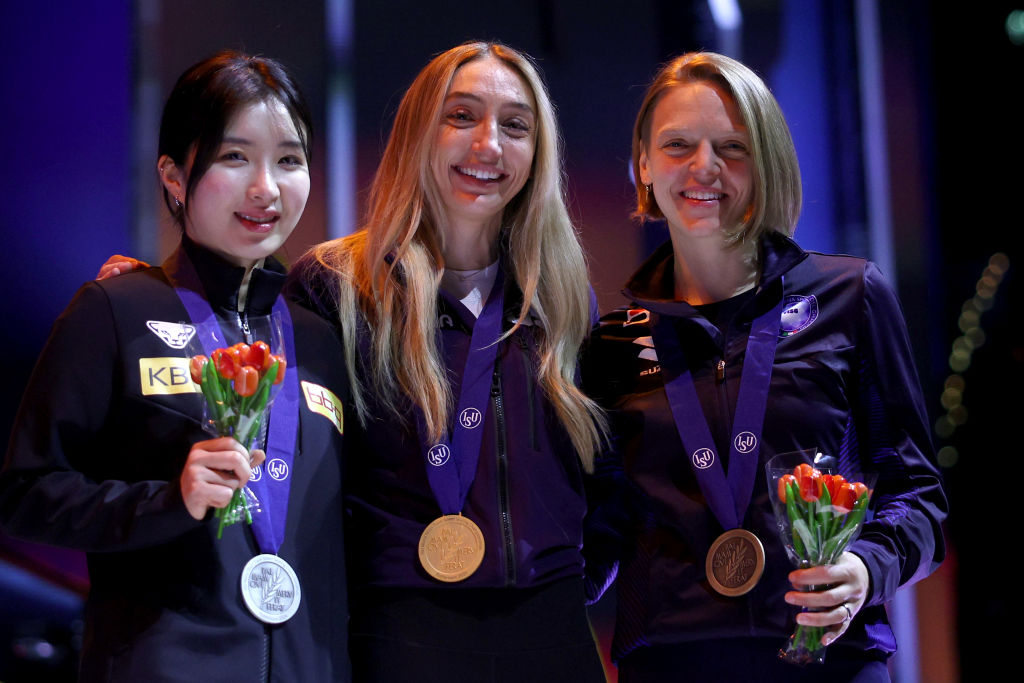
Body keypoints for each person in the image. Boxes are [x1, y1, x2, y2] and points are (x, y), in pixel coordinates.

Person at [582, 52, 947, 681]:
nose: (705, 167)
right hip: (673, 665)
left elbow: (919, 498)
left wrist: (865, 568)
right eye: (678, 145)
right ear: (643, 162)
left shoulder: (850, 296)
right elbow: (597, 540)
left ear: (766, 161)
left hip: (831, 660)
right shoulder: (613, 345)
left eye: (732, 147)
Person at [0, 51, 350, 682]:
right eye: (234, 156)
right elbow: (24, 495)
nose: (265, 187)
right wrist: (169, 501)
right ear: (173, 175)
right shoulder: (113, 312)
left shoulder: (322, 340)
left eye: (289, 160)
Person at [288, 41, 608, 682]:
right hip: (402, 631)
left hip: (554, 634)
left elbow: (606, 479)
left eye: (515, 125)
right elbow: (302, 478)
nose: (489, 144)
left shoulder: (564, 300)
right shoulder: (337, 285)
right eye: (461, 116)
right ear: (417, 133)